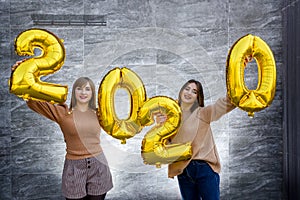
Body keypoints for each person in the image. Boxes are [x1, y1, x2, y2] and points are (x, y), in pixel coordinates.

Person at [11, 61, 113, 200]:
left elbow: (124, 123)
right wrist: (19, 72)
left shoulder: (101, 113)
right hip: (74, 167)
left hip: (98, 165)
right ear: (74, 92)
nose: (83, 92)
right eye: (79, 89)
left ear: (92, 93)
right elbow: (32, 100)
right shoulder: (63, 112)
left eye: (87, 89)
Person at [166, 79, 235, 200]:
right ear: (181, 91)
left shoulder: (203, 113)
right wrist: (160, 124)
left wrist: (236, 80)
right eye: (187, 89)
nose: (189, 93)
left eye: (194, 91)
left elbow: (227, 103)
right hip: (184, 171)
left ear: (198, 97)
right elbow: (165, 145)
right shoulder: (171, 117)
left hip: (204, 169)